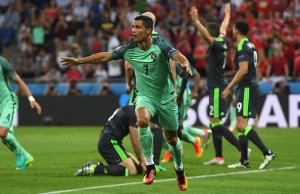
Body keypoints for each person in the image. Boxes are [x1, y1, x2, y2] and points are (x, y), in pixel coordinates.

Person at [61, 15, 191, 191]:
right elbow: (104, 57)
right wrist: (79, 61)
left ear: (148, 30)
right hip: (145, 96)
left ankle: (179, 170)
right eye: (133, 26)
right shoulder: (129, 49)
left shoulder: (160, 43)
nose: (133, 30)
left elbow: (175, 54)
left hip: (166, 98)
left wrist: (184, 62)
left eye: (138, 27)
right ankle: (150, 166)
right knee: (142, 120)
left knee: (172, 139)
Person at [190, 3, 243, 166]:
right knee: (215, 123)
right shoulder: (221, 39)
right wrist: (227, 14)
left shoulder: (216, 45)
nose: (202, 38)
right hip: (217, 87)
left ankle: (242, 147)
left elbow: (207, 36)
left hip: (218, 88)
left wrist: (197, 22)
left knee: (216, 124)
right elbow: (224, 26)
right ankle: (219, 156)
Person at [221, 20, 276, 169]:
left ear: (237, 30)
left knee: (241, 125)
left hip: (246, 88)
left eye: (233, 28)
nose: (232, 31)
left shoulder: (242, 46)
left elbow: (243, 70)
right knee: (241, 124)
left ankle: (267, 152)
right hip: (247, 87)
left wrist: (229, 88)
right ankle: (244, 160)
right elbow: (254, 70)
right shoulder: (251, 46)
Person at [125, 11, 168, 173]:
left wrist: (128, 84)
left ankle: (145, 162)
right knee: (157, 126)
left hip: (142, 90)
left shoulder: (136, 40)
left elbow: (129, 67)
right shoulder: (161, 40)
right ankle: (156, 161)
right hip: (159, 91)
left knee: (139, 124)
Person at [74, 105, 146, 176]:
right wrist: (142, 160)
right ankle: (94, 168)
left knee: (139, 169)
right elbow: (135, 141)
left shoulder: (131, 108)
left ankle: (104, 166)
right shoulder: (134, 113)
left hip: (113, 142)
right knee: (132, 171)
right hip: (110, 143)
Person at [161, 61, 211, 162]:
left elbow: (196, 74)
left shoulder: (178, 60)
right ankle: (200, 135)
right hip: (172, 97)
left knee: (172, 128)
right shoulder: (163, 60)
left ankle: (174, 150)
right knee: (175, 127)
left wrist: (195, 91)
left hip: (180, 97)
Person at [0, 55, 42, 170]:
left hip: (7, 101)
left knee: (3, 132)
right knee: (5, 138)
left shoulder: (2, 62)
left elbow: (18, 81)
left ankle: (22, 154)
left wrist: (31, 99)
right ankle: (25, 156)